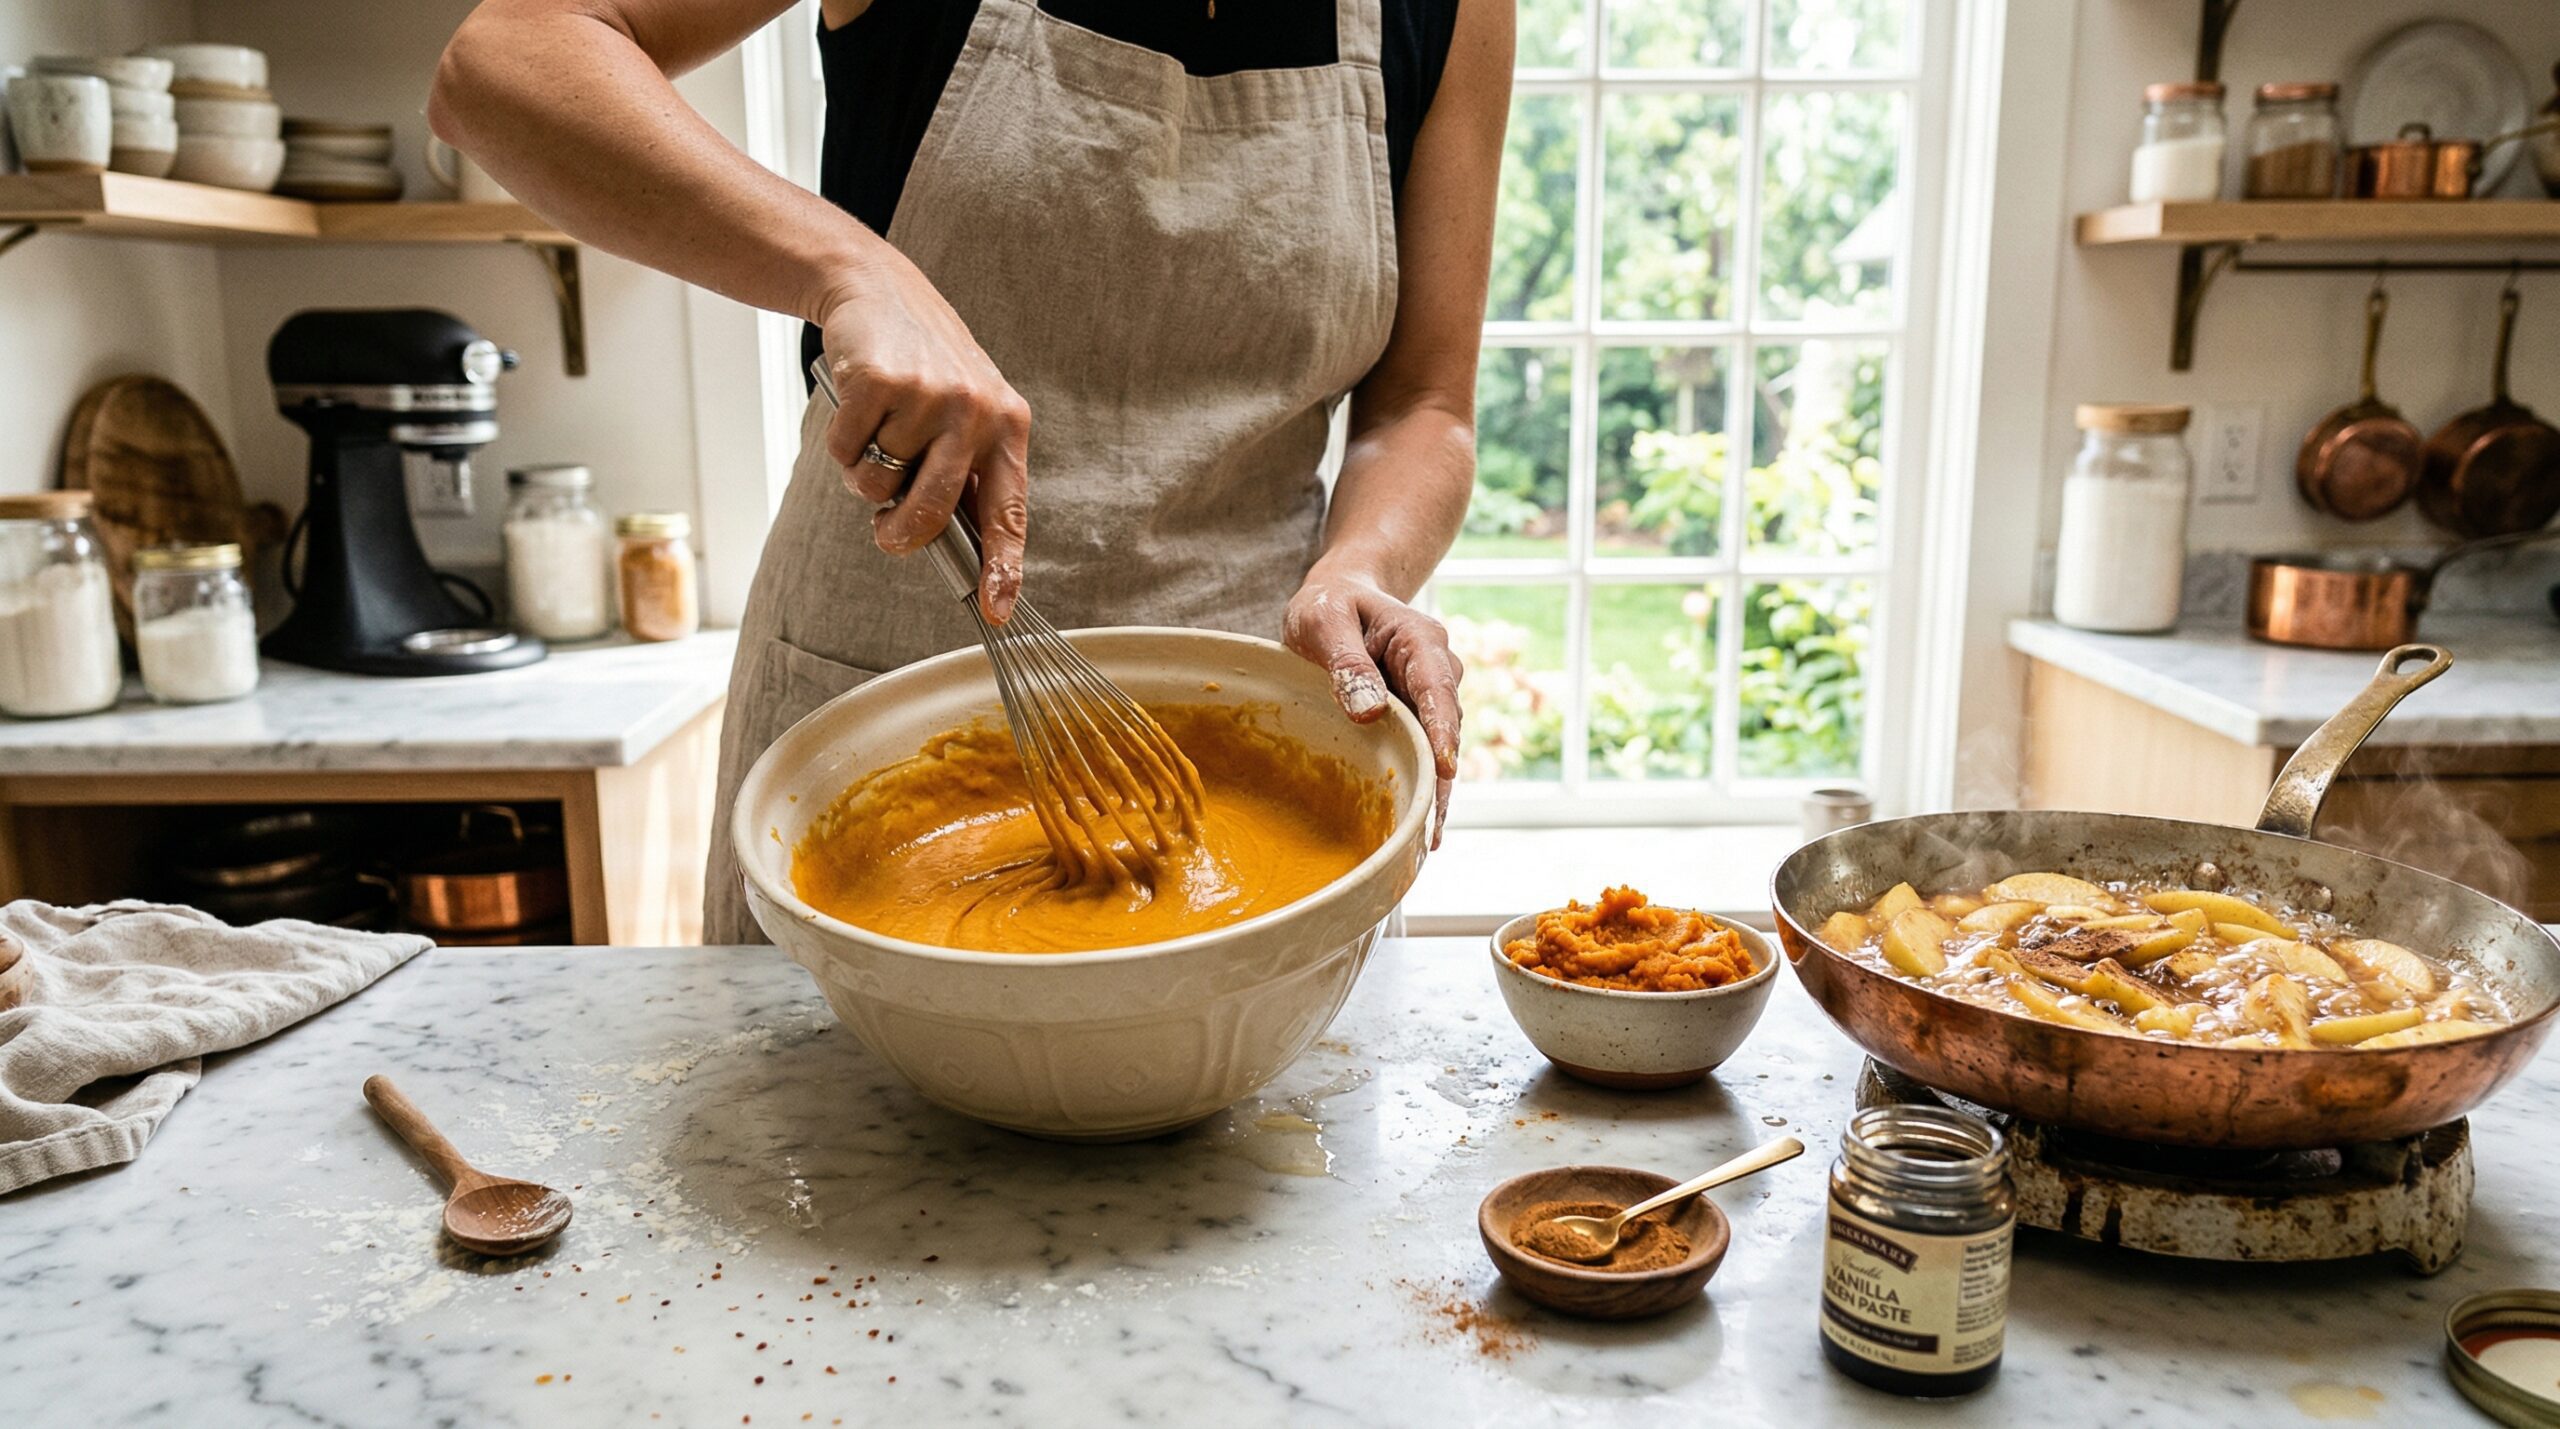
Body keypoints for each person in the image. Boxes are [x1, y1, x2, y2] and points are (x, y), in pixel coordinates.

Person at [430, 0, 1508, 943]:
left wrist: (1362, 566)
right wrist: (853, 270)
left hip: (1256, 714)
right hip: (886, 674)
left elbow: (1422, 404)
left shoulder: (1450, 10)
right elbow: (504, 64)